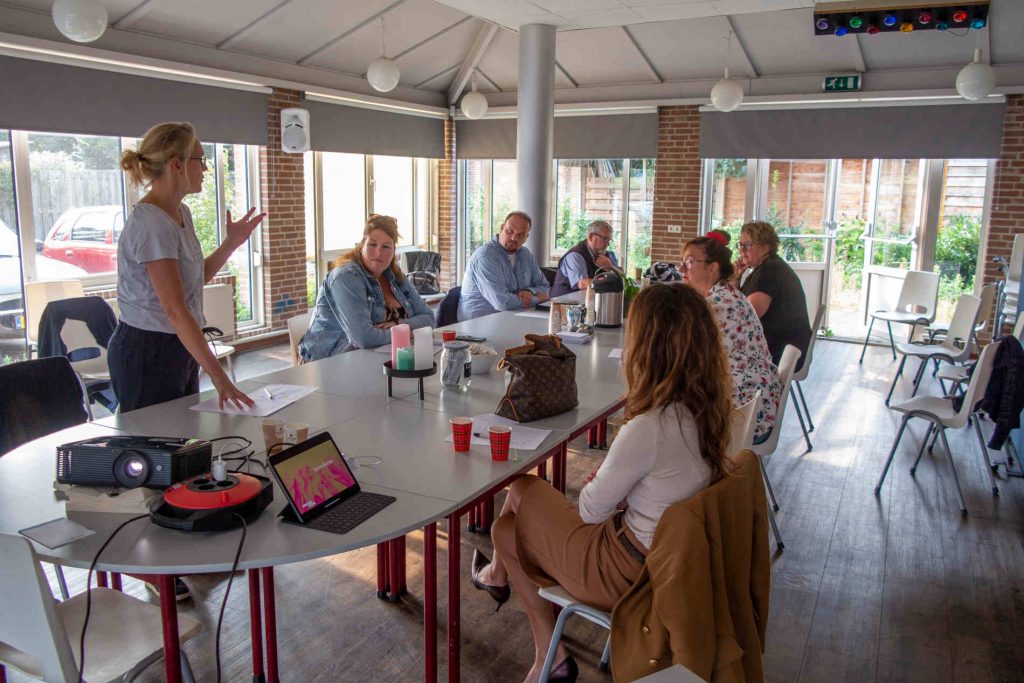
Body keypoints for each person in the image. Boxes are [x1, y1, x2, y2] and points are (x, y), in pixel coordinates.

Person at [469, 284, 733, 683]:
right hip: (666, 561)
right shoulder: (708, 410)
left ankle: (542, 644)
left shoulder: (651, 426)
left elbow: (590, 510)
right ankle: (517, 608)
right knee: (509, 519)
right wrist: (625, 484)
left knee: (514, 507)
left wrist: (608, 476)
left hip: (625, 572)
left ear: (648, 348)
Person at [109, 122, 265, 413]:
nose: (205, 170)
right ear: (176, 165)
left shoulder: (181, 212)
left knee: (183, 439)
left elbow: (197, 278)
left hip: (176, 344)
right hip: (148, 349)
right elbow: (175, 310)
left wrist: (231, 243)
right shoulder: (152, 223)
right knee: (159, 444)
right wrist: (221, 379)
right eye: (201, 161)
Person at [682, 230, 782, 441]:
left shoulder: (718, 306)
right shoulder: (726, 294)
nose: (682, 269)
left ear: (712, 268)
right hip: (755, 402)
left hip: (744, 415)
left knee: (665, 415)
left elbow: (682, 359)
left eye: (690, 262)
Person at [299, 215, 432, 362]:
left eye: (386, 246)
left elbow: (430, 319)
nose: (378, 252)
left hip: (382, 358)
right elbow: (364, 338)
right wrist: (407, 332)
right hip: (331, 361)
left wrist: (398, 325)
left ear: (394, 250)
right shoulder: (346, 277)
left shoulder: (395, 276)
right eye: (372, 244)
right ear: (362, 245)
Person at [733, 220, 812, 371]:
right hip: (784, 348)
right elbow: (739, 304)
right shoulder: (764, 267)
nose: (742, 250)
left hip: (779, 352)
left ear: (766, 245)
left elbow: (746, 316)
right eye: (740, 244)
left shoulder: (770, 270)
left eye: (748, 245)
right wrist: (736, 277)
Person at [458, 211, 550, 320]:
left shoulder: (525, 254)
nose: (513, 238)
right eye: (510, 231)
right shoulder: (486, 256)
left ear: (526, 237)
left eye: (520, 235)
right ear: (502, 228)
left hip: (514, 317)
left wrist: (530, 291)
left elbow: (545, 287)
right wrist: (537, 299)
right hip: (478, 323)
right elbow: (502, 303)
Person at [550, 219, 622, 297]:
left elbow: (624, 279)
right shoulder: (575, 256)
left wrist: (611, 267)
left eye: (609, 240)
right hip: (563, 304)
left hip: (588, 303)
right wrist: (611, 283)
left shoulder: (606, 255)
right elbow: (582, 284)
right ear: (591, 237)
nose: (607, 244)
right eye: (605, 239)